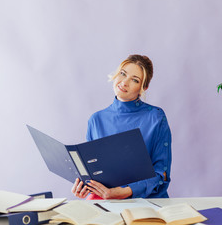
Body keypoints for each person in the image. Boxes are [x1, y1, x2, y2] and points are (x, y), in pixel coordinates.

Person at [71, 54, 172, 200]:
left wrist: (124, 192)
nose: (124, 82)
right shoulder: (96, 120)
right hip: (106, 203)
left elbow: (161, 174)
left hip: (147, 203)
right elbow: (93, 170)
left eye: (135, 80)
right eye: (123, 74)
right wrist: (83, 185)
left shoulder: (155, 118)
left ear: (143, 87)